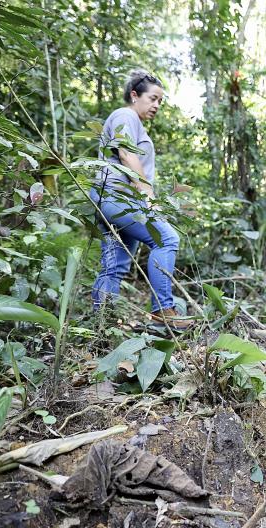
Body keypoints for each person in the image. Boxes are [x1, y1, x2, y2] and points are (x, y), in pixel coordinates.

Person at [91, 69, 190, 332]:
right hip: (116, 196)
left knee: (115, 266)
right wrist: (148, 195)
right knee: (166, 240)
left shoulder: (133, 121)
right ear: (135, 95)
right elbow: (126, 154)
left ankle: (101, 327)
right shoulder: (126, 115)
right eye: (153, 98)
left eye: (160, 101)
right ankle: (162, 311)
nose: (157, 105)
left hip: (112, 198)